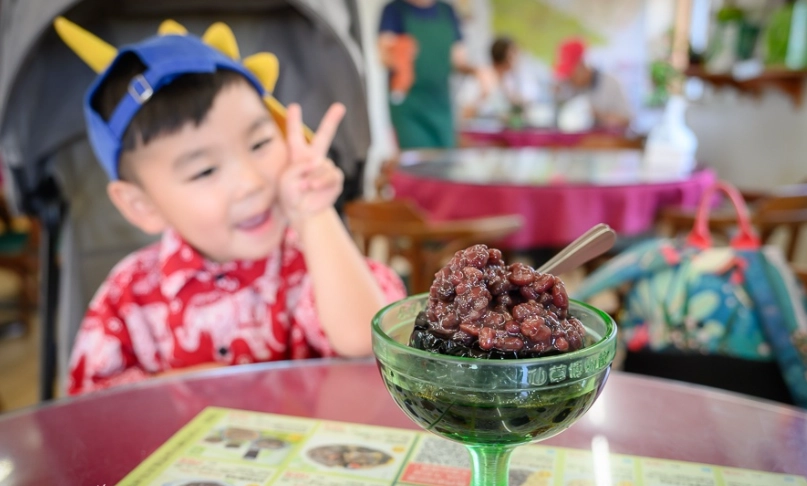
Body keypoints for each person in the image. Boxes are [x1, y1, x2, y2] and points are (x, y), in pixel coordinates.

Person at [55, 18, 407, 396]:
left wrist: (315, 214)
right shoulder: (128, 296)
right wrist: (169, 390)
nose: (251, 184)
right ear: (141, 205)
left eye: (259, 144)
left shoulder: (308, 265)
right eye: (204, 170)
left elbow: (365, 342)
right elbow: (93, 409)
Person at [377, 0, 494, 149]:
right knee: (417, 163)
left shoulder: (447, 11)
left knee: (445, 162)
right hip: (410, 107)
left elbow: (458, 60)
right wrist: (399, 52)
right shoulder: (394, 10)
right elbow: (383, 54)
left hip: (441, 105)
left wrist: (478, 71)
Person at [457, 36, 544, 122]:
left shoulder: (508, 80)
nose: (518, 59)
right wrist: (483, 96)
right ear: (507, 57)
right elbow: (463, 115)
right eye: (514, 54)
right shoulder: (481, 77)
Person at [553, 38, 633, 131]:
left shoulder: (611, 83)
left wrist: (595, 115)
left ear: (582, 65)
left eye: (570, 74)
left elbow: (626, 121)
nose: (569, 79)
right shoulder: (568, 87)